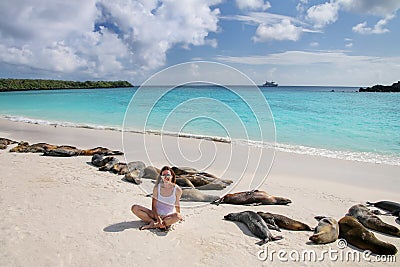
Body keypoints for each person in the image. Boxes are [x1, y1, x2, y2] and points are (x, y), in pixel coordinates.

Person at [131, 166, 183, 230]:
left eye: (168, 175)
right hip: (155, 215)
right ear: (161, 177)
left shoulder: (177, 190)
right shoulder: (157, 188)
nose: (166, 177)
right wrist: (158, 218)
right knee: (135, 208)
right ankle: (152, 222)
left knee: (178, 216)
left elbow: (177, 204)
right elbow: (154, 206)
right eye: (164, 175)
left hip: (168, 216)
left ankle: (155, 225)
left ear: (172, 176)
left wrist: (179, 216)